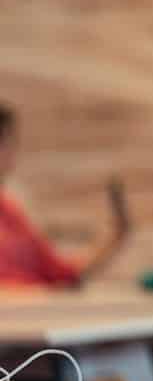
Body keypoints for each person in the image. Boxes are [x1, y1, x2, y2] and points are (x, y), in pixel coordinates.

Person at [0, 104, 127, 286]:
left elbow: (61, 274)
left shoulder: (11, 213)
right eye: (9, 142)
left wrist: (114, 239)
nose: (13, 152)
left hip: (39, 310)